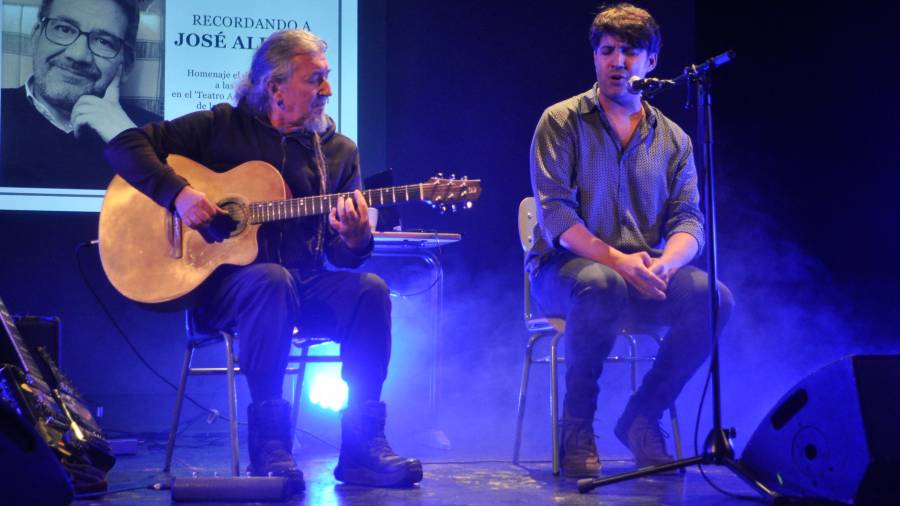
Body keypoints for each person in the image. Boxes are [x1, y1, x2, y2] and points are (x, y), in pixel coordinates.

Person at [104, 29, 423, 490]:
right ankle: (271, 447)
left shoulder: (338, 152)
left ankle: (361, 449)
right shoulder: (219, 127)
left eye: (327, 78)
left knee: (370, 291)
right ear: (274, 87)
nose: (327, 91)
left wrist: (354, 240)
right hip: (222, 292)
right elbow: (122, 147)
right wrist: (180, 195)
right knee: (270, 280)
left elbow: (341, 257)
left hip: (302, 287)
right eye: (315, 80)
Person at [528, 3, 734, 477]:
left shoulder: (675, 140)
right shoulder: (561, 121)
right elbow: (556, 215)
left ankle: (643, 415)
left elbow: (690, 220)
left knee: (713, 299)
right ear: (595, 58)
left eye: (629, 51)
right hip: (566, 272)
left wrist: (664, 265)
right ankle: (576, 425)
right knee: (602, 284)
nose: (617, 61)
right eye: (607, 50)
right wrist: (621, 261)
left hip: (642, 272)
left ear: (652, 62)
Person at [1, 0, 160, 189]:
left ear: (126, 65)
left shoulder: (156, 135)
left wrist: (131, 142)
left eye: (103, 41)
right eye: (64, 29)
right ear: (35, 38)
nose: (78, 55)